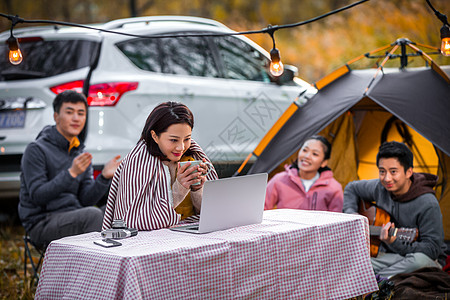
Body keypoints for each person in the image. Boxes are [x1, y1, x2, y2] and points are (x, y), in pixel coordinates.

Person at [18, 90, 121, 249]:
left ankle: (123, 269)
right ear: (56, 116)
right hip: (42, 222)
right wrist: (71, 173)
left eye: (81, 113)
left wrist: (104, 178)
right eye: (69, 112)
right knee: (92, 215)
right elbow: (38, 196)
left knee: (119, 212)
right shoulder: (36, 150)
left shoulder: (79, 152)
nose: (76, 118)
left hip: (74, 215)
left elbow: (85, 200)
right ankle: (95, 271)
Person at [102, 101, 218, 231]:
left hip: (189, 232)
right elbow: (135, 221)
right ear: (155, 136)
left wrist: (197, 188)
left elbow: (209, 214)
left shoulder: (192, 157)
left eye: (187, 139)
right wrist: (179, 188)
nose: (181, 147)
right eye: (173, 140)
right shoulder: (138, 163)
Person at [343, 141, 447, 278]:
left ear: (409, 172)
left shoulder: (428, 203)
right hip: (389, 255)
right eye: (382, 172)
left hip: (422, 258)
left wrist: (394, 242)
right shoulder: (379, 188)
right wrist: (352, 215)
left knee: (419, 261)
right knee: (351, 264)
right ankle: (381, 278)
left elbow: (432, 249)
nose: (387, 178)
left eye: (393, 172)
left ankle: (376, 281)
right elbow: (351, 188)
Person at [264, 135, 343, 212]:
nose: (307, 156)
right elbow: (263, 210)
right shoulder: (279, 180)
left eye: (315, 154)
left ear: (324, 162)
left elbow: (336, 221)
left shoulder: (334, 188)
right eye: (304, 150)